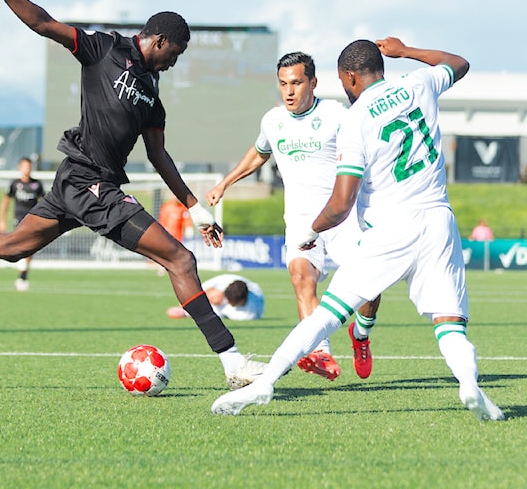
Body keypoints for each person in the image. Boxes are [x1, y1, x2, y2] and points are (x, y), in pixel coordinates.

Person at [0, 0, 265, 390]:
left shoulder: (154, 97)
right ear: (157, 40)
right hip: (87, 182)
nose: (175, 62)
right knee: (180, 259)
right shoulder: (105, 49)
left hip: (82, 183)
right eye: (175, 53)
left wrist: (194, 207)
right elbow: (43, 23)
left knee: (11, 248)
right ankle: (234, 365)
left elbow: (159, 155)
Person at [211, 37, 505, 421]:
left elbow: (340, 204)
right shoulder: (419, 84)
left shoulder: (353, 120)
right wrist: (407, 52)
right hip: (438, 220)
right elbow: (459, 62)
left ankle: (265, 384)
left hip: (389, 227)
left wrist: (311, 230)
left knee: (328, 313)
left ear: (347, 77)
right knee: (449, 323)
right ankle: (469, 385)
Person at [206, 52, 380, 381]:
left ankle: (361, 334)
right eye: (284, 84)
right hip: (301, 221)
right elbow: (259, 153)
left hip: (343, 217)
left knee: (369, 289)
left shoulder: (337, 115)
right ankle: (320, 353)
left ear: (313, 83)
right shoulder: (272, 121)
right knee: (302, 278)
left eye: (297, 83)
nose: (289, 91)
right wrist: (224, 183)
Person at [0, 157, 46, 291]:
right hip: (18, 219)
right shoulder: (15, 184)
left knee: (30, 247)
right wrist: (2, 219)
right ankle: (20, 268)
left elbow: (44, 201)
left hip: (33, 219)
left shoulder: (37, 185)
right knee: (19, 245)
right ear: (20, 168)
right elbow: (6, 200)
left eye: (29, 166)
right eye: (24, 166)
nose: (27, 169)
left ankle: (23, 273)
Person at [167, 274, 265, 321]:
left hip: (241, 309)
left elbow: (218, 312)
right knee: (213, 296)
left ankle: (188, 312)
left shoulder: (247, 314)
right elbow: (201, 288)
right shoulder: (226, 280)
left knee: (214, 300)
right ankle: (189, 307)